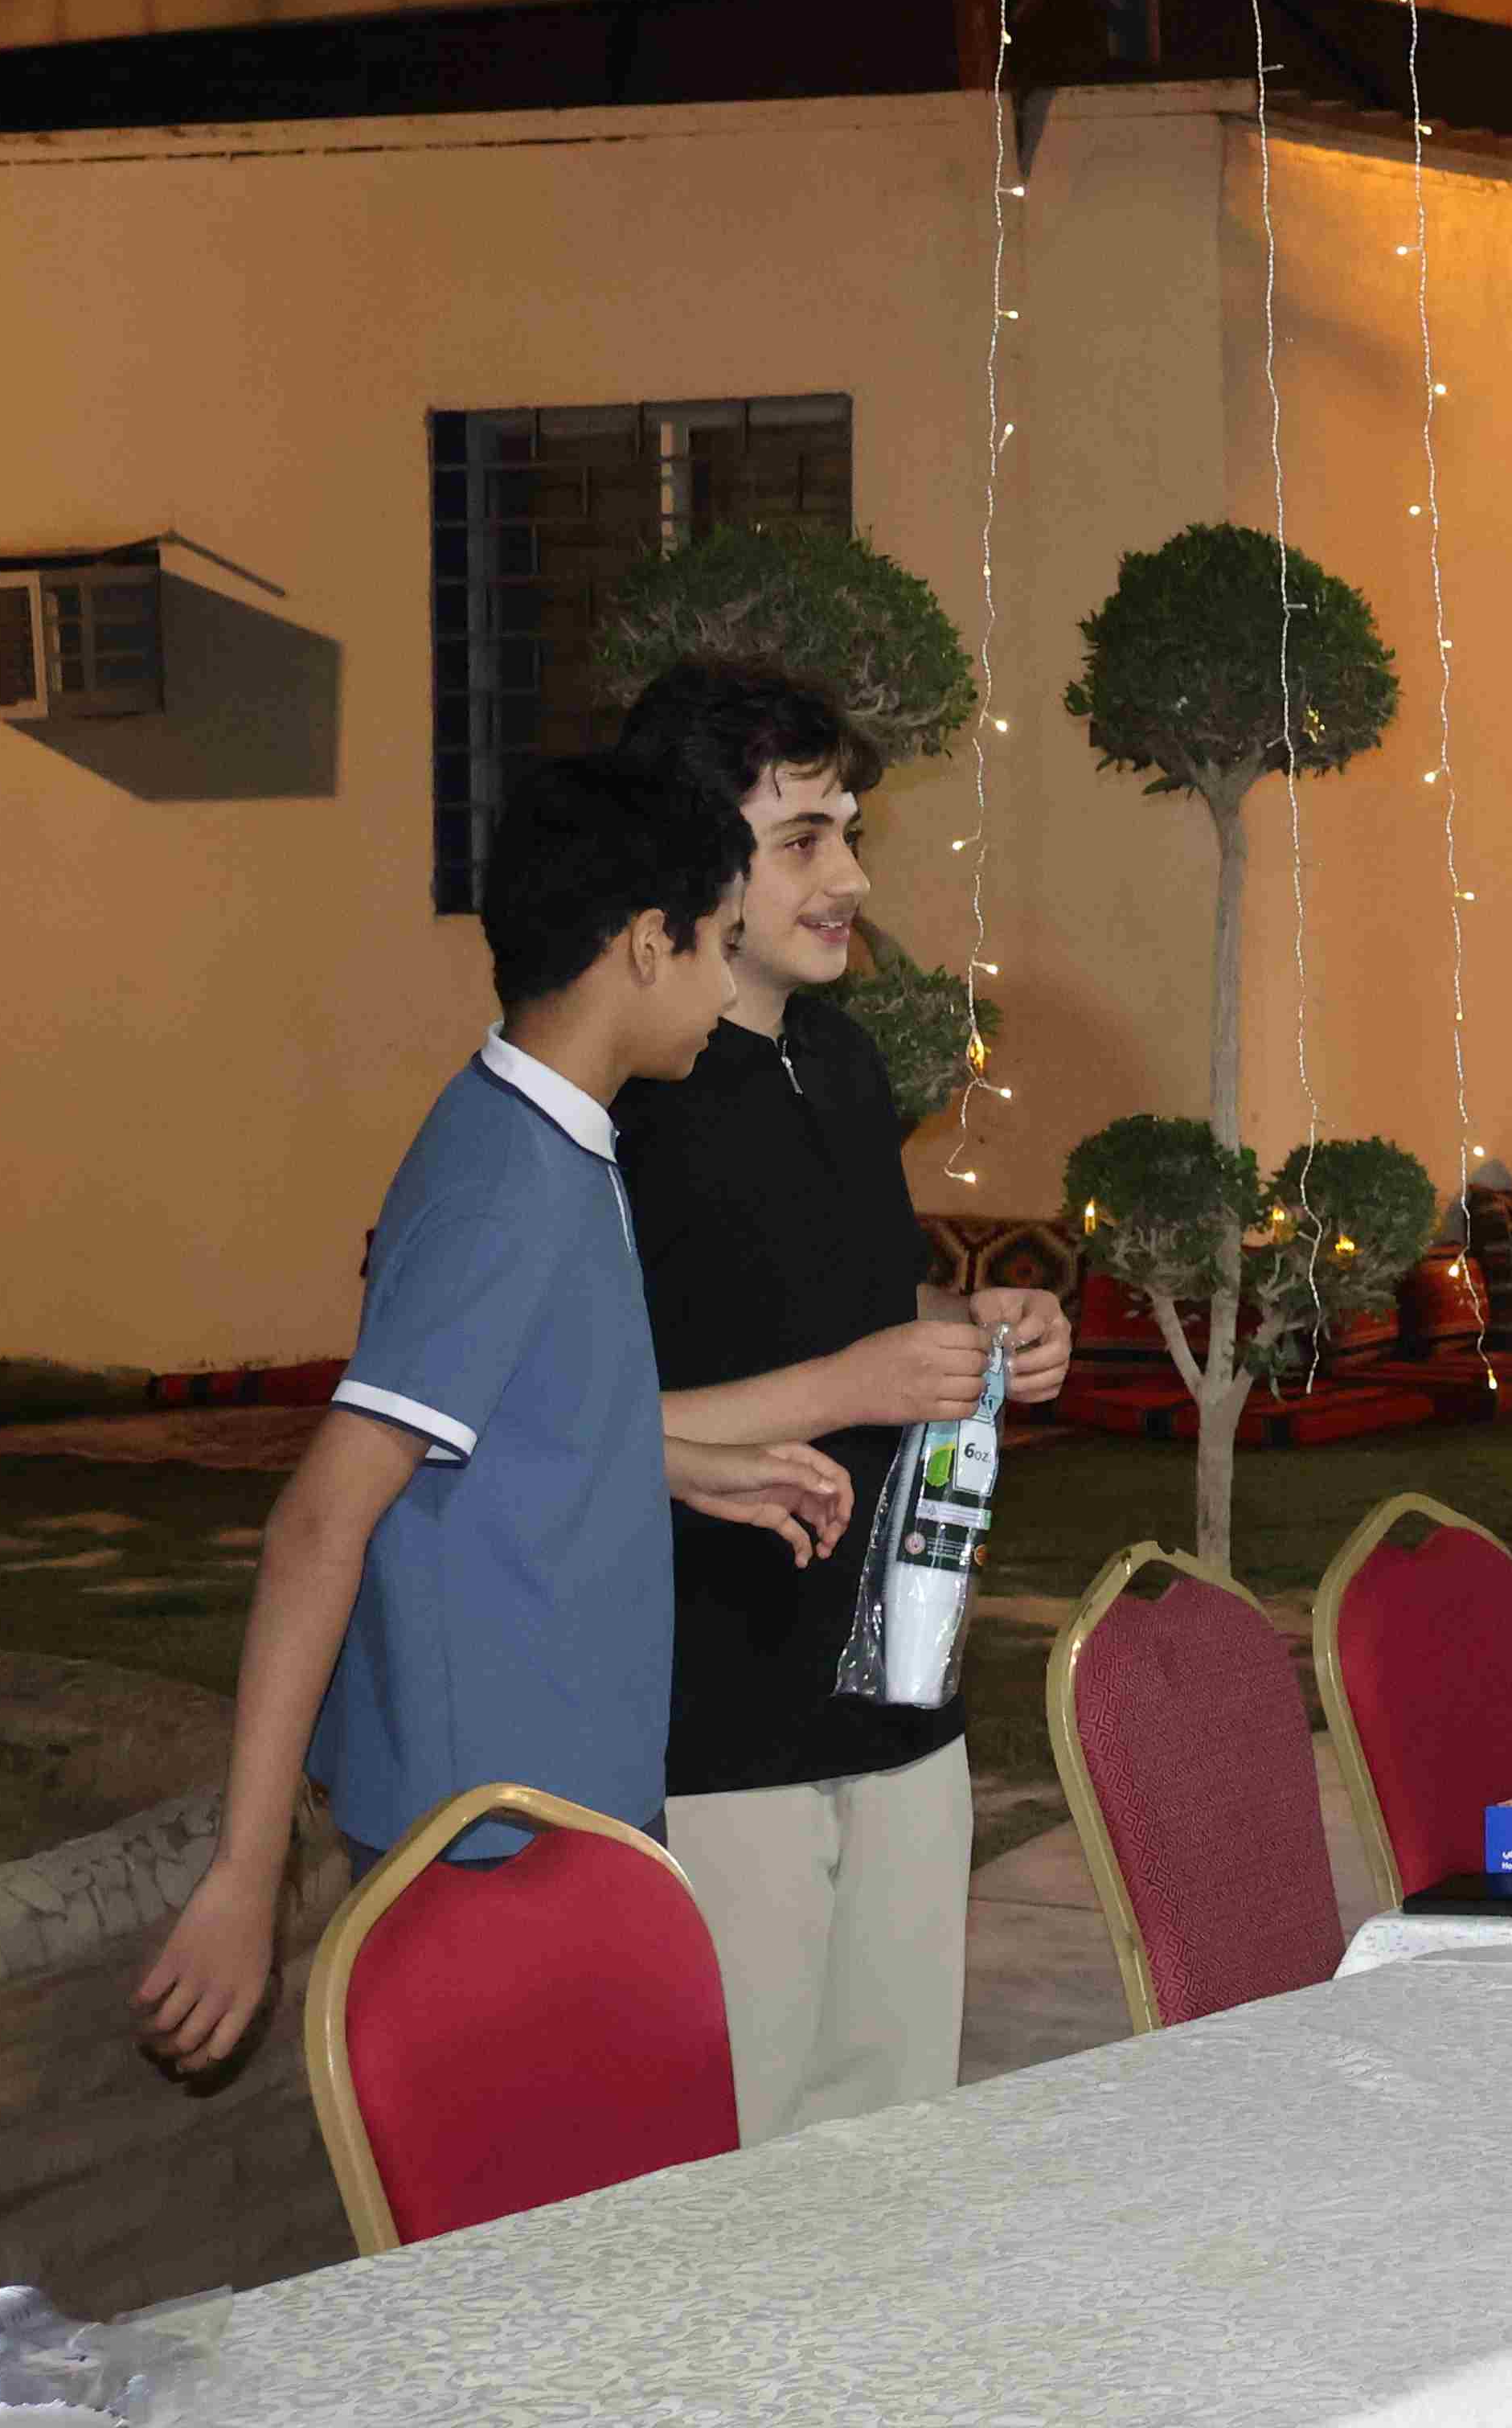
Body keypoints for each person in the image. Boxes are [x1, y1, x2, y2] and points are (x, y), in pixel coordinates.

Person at [136, 753, 836, 2074]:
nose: (725, 989)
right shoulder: (506, 1184)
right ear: (648, 945)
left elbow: (513, 1414)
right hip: (487, 1835)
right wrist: (245, 1876)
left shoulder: (556, 1138)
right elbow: (320, 1521)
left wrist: (685, 1467)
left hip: (561, 1802)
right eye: (720, 945)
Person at [609, 665, 1076, 2143]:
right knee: (746, 2165)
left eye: (850, 835)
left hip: (901, 1684)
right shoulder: (629, 1094)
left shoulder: (843, 1058)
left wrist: (972, 1330)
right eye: (802, 841)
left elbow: (853, 1308)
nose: (852, 880)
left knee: (898, 2140)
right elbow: (590, 1418)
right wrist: (861, 1378)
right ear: (696, 862)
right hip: (719, 1715)